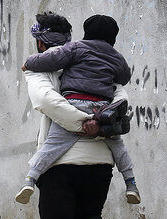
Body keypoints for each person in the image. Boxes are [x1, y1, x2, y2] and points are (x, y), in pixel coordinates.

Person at [20, 11, 128, 219]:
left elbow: (47, 101)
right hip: (101, 161)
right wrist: (100, 123)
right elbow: (120, 98)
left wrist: (83, 124)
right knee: (89, 218)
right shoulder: (102, 61)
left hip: (60, 163)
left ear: (40, 44)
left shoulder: (40, 68)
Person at [16, 14, 141, 205]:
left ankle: (30, 180)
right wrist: (97, 124)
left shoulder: (76, 48)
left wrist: (29, 63)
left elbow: (51, 63)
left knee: (51, 145)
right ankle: (131, 184)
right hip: (102, 109)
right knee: (118, 146)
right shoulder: (116, 58)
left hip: (74, 102)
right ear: (114, 38)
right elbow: (123, 79)